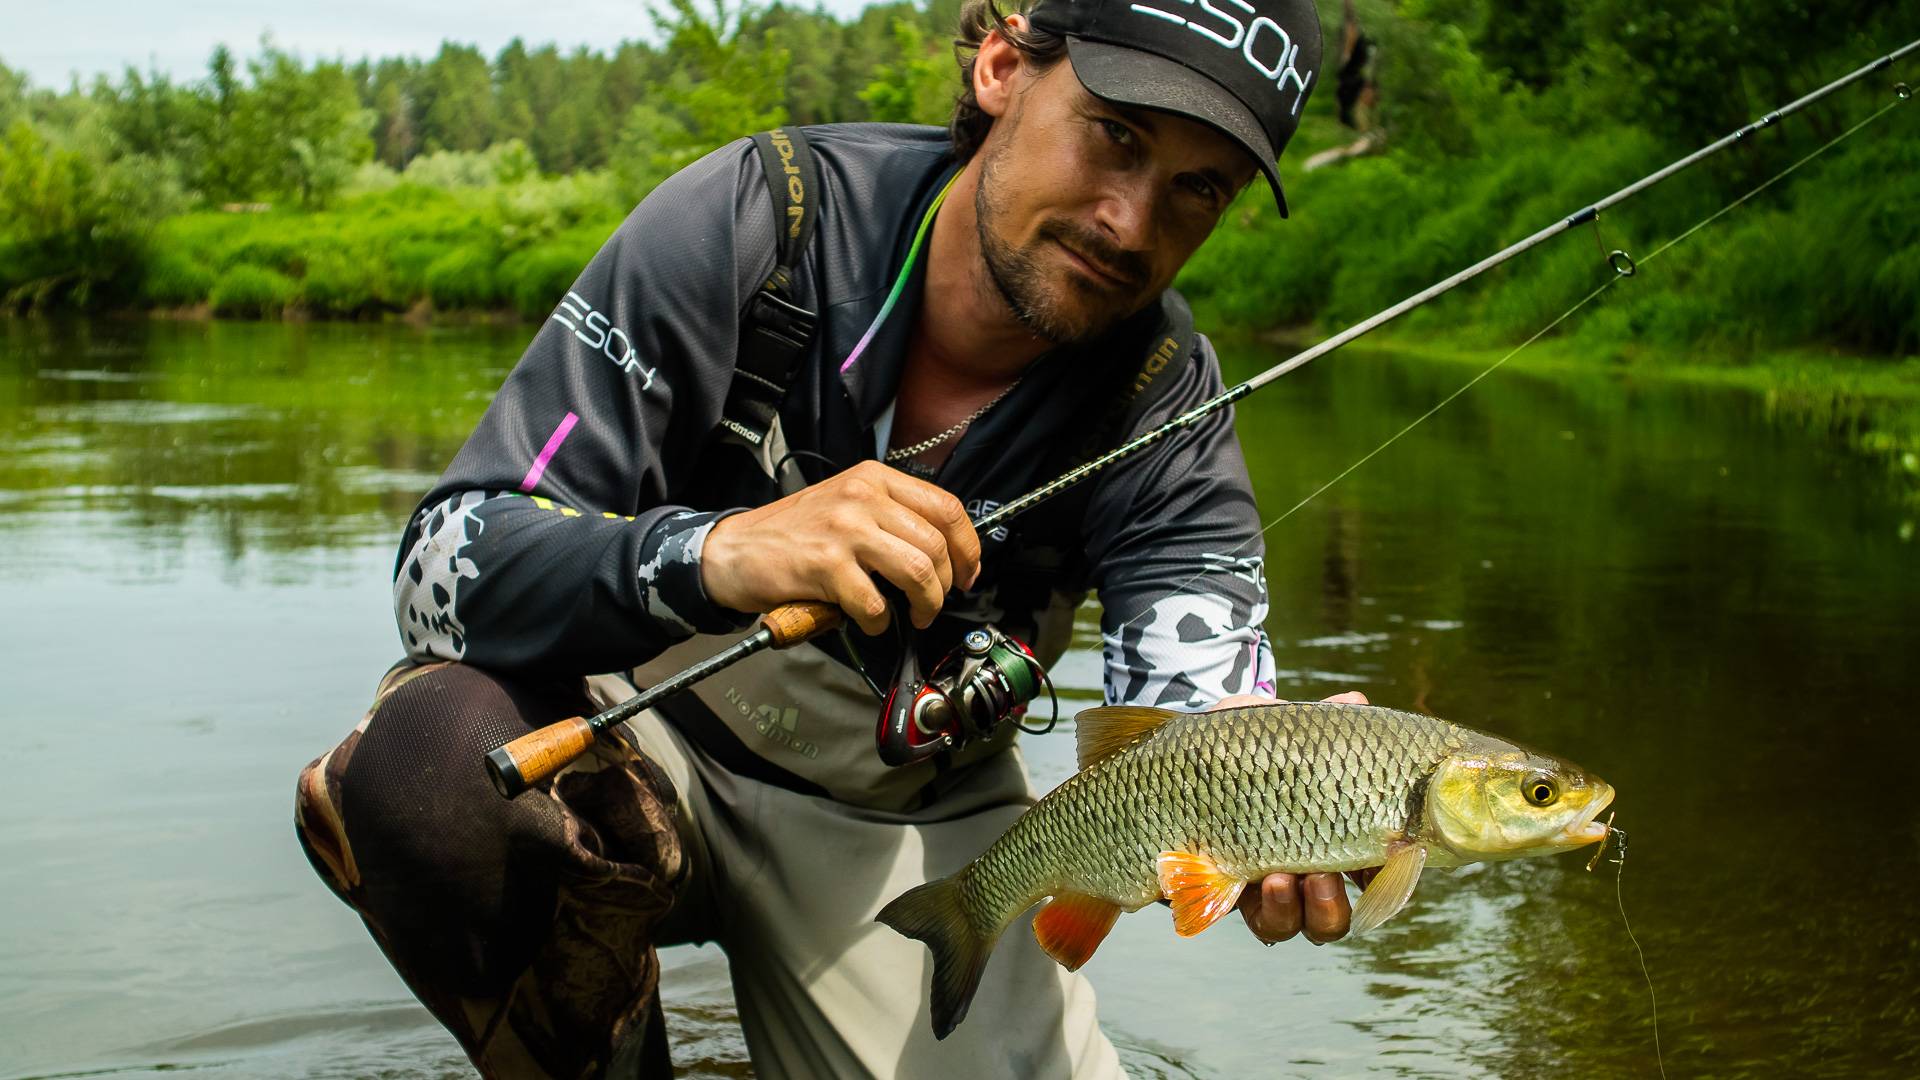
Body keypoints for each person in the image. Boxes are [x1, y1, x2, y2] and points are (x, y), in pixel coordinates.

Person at [295, 0, 1365, 1075]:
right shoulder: (757, 219)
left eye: (1198, 187)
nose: (1131, 222)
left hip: (916, 825)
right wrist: (722, 553)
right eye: (1116, 136)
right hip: (640, 738)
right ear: (1002, 64)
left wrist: (1286, 783)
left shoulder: (1163, 402)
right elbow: (444, 564)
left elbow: (1203, 710)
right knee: (434, 769)